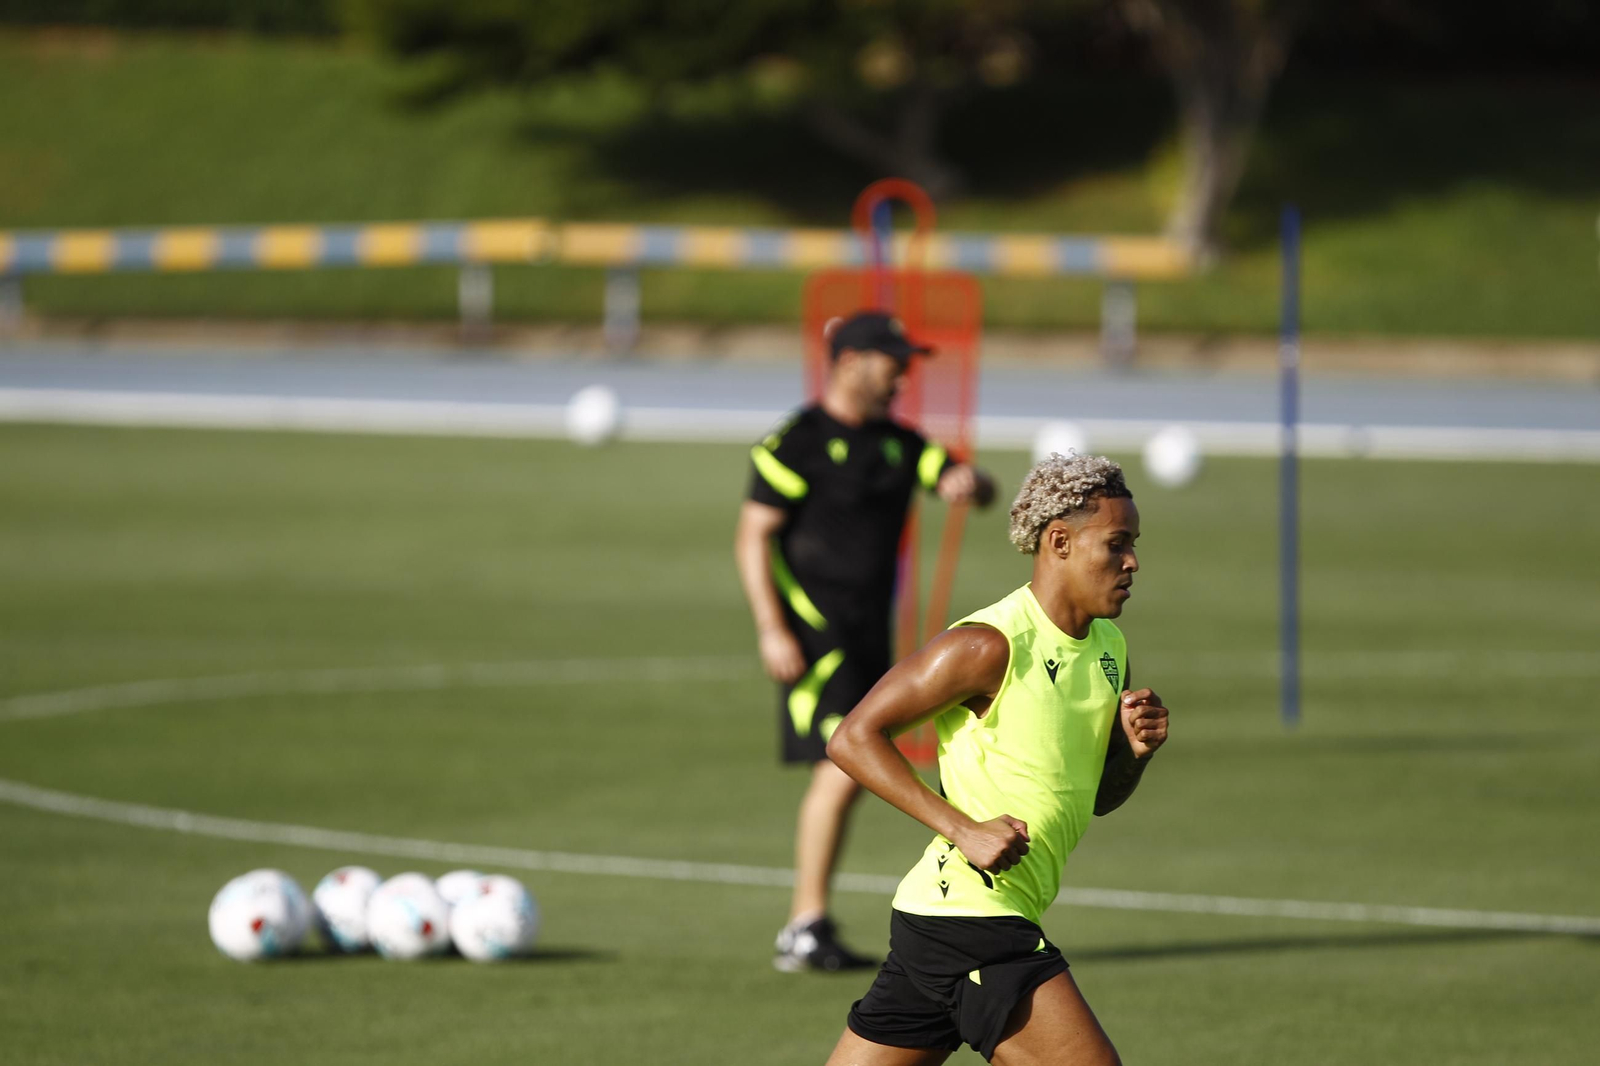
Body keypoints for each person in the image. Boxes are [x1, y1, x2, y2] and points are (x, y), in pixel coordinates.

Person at [821, 452, 1170, 1065]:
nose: (1132, 562)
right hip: (975, 919)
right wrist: (964, 829)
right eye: (1117, 545)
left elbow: (1096, 798)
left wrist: (1134, 753)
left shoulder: (1110, 648)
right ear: (1059, 541)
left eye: (1134, 545)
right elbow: (853, 737)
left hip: (941, 918)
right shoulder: (989, 645)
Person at [734, 310, 996, 973]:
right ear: (851, 360)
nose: (904, 374)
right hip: (815, 639)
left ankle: (817, 922)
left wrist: (970, 483)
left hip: (873, 638)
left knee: (855, 764)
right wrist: (770, 627)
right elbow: (752, 534)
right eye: (893, 361)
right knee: (842, 764)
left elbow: (960, 477)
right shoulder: (795, 443)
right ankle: (804, 924)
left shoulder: (898, 443)